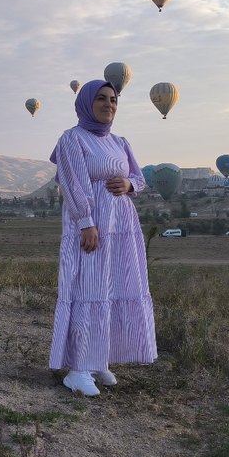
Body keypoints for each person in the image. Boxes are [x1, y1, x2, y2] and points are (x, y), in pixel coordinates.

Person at [48, 79, 157, 396]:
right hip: (91, 226)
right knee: (88, 289)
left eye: (113, 99)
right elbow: (73, 185)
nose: (109, 104)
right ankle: (78, 369)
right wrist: (86, 223)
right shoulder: (72, 139)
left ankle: (98, 360)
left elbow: (139, 178)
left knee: (112, 289)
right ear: (85, 103)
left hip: (122, 228)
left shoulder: (120, 142)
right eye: (101, 98)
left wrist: (129, 185)